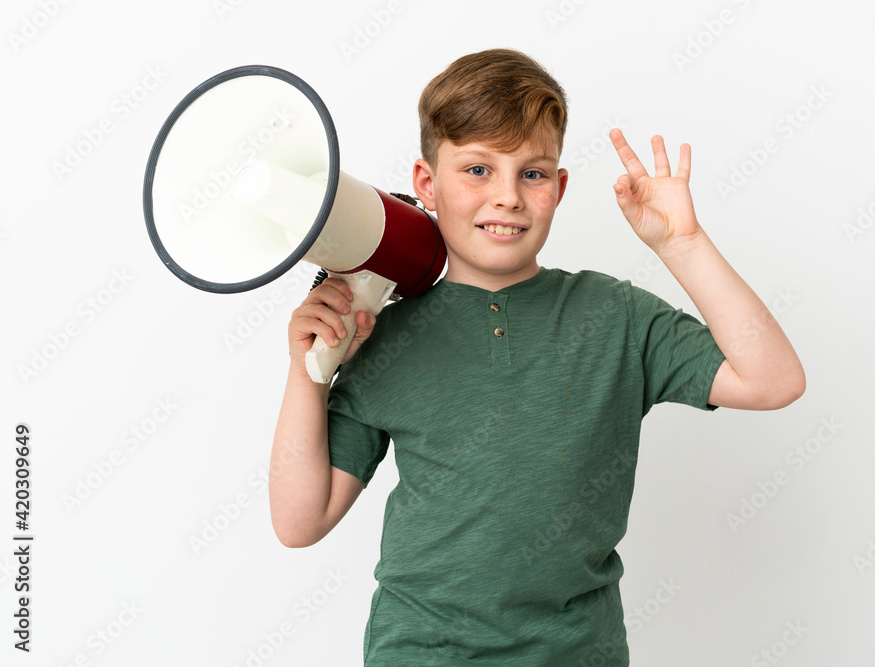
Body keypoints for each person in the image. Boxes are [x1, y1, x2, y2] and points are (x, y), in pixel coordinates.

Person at [269, 48, 805, 665]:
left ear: (559, 187)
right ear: (426, 184)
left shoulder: (617, 316)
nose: (507, 197)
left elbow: (773, 380)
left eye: (532, 173)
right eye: (476, 170)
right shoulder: (383, 337)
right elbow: (299, 522)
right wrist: (306, 376)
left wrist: (682, 243)